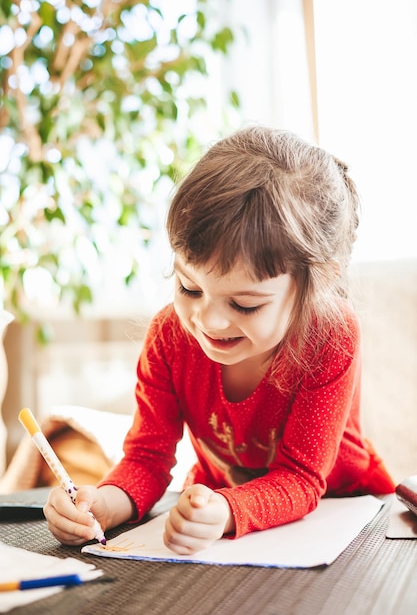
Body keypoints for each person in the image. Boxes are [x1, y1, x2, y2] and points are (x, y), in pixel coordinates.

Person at [43, 126, 395, 555]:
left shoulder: (330, 336)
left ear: (319, 281)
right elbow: (146, 460)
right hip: (221, 518)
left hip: (347, 512)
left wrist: (226, 510)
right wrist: (101, 505)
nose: (206, 319)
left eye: (245, 305)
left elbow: (301, 478)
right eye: (189, 289)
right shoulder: (170, 336)